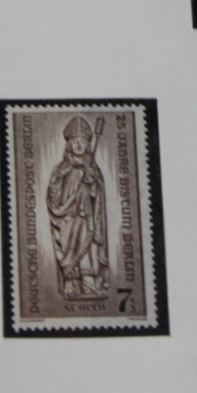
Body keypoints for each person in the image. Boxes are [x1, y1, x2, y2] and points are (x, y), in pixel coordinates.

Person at [46, 116, 109, 300]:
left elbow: (98, 197)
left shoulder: (93, 169)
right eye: (75, 142)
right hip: (67, 218)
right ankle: (71, 284)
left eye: (82, 141)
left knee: (88, 249)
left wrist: (92, 184)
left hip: (86, 216)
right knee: (69, 249)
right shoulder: (61, 169)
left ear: (88, 145)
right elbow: (53, 195)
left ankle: (89, 284)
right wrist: (64, 204)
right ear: (69, 145)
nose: (79, 145)